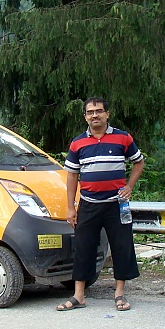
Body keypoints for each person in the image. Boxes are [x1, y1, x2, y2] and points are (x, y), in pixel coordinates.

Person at [56, 97, 145, 311]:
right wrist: (71, 207)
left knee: (121, 247)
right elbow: (72, 176)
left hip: (117, 204)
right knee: (83, 248)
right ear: (85, 117)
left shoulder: (123, 138)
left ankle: (120, 294)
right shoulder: (78, 143)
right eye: (90, 112)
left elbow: (139, 162)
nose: (94, 115)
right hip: (88, 204)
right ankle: (79, 296)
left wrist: (129, 186)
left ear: (107, 114)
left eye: (98, 111)